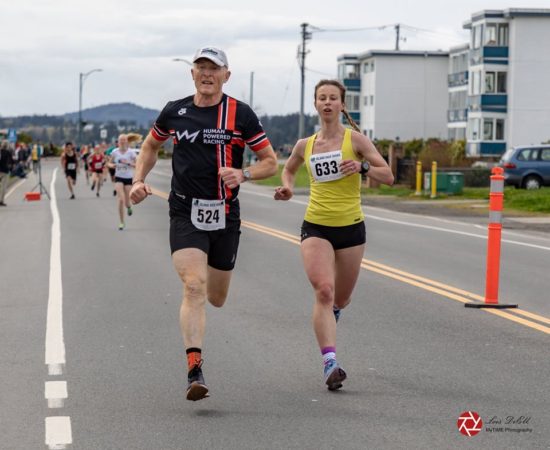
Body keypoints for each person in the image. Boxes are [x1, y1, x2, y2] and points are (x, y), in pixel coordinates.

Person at [130, 46, 277, 401]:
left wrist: (242, 173)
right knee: (194, 285)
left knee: (217, 296)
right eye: (200, 67)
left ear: (227, 75)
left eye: (214, 68)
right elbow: (150, 146)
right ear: (192, 73)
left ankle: (212, 287)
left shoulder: (240, 115)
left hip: (225, 214)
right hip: (185, 211)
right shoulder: (175, 111)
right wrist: (137, 181)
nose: (207, 73)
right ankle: (194, 367)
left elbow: (270, 162)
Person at [274, 79, 394, 392]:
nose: (327, 103)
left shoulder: (356, 140)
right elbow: (288, 169)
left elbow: (389, 175)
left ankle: (331, 316)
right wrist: (287, 186)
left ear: (342, 104)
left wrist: (363, 167)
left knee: (340, 298)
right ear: (315, 104)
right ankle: (330, 362)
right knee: (324, 291)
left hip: (351, 228)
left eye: (333, 98)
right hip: (316, 225)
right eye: (322, 98)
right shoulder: (306, 144)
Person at [108, 134, 138, 230]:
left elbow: (137, 165)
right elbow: (109, 163)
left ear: (127, 141)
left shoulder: (131, 153)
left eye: (124, 140)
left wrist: (128, 163)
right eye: (120, 140)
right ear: (118, 141)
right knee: (121, 199)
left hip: (128, 178)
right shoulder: (115, 152)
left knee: (127, 202)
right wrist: (112, 165)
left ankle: (129, 207)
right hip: (118, 177)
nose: (122, 141)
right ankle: (121, 222)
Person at [0, 140, 14, 206]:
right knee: (3, 187)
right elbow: (11, 162)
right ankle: (1, 200)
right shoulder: (8, 152)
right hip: (5, 171)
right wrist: (11, 169)